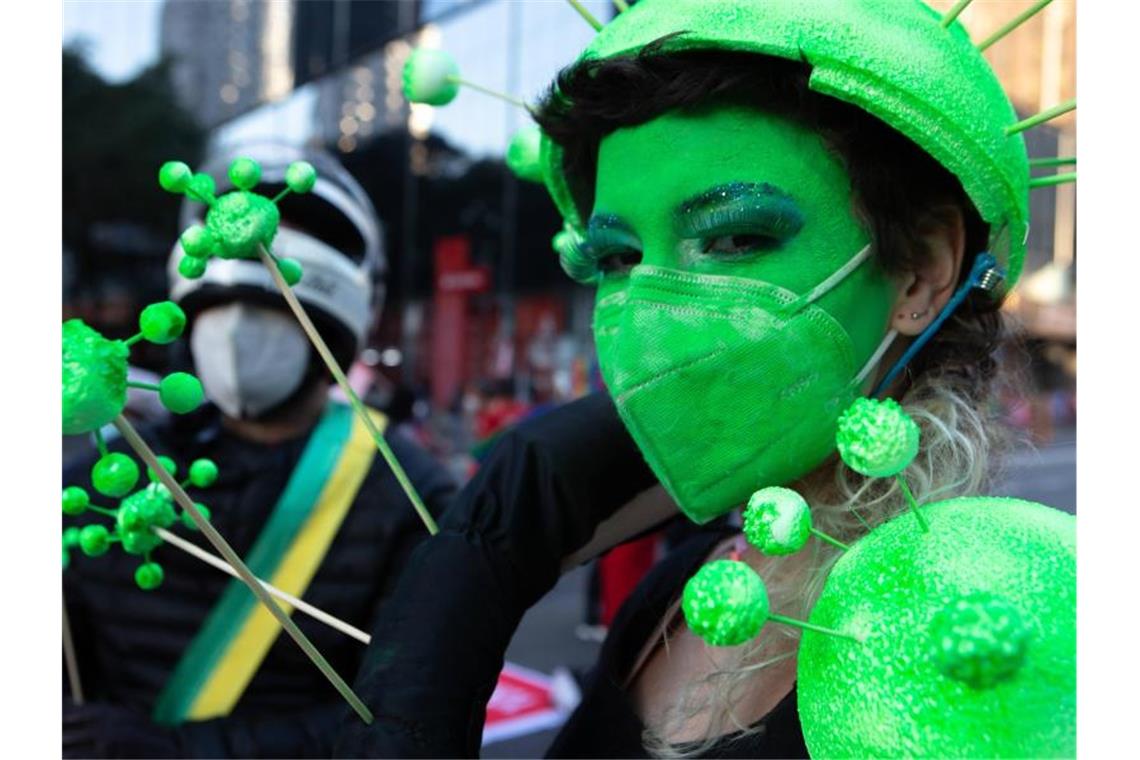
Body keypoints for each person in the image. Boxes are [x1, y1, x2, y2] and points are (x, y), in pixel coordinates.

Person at [335, 1, 1046, 757]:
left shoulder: (985, 649)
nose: (648, 321)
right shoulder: (685, 586)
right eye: (617, 260)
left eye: (737, 237)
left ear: (921, 271)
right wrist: (479, 567)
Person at [62, 143, 456, 758]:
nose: (240, 339)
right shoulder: (99, 486)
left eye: (274, 312)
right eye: (219, 313)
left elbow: (408, 716)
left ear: (334, 332)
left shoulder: (410, 492)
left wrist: (176, 751)